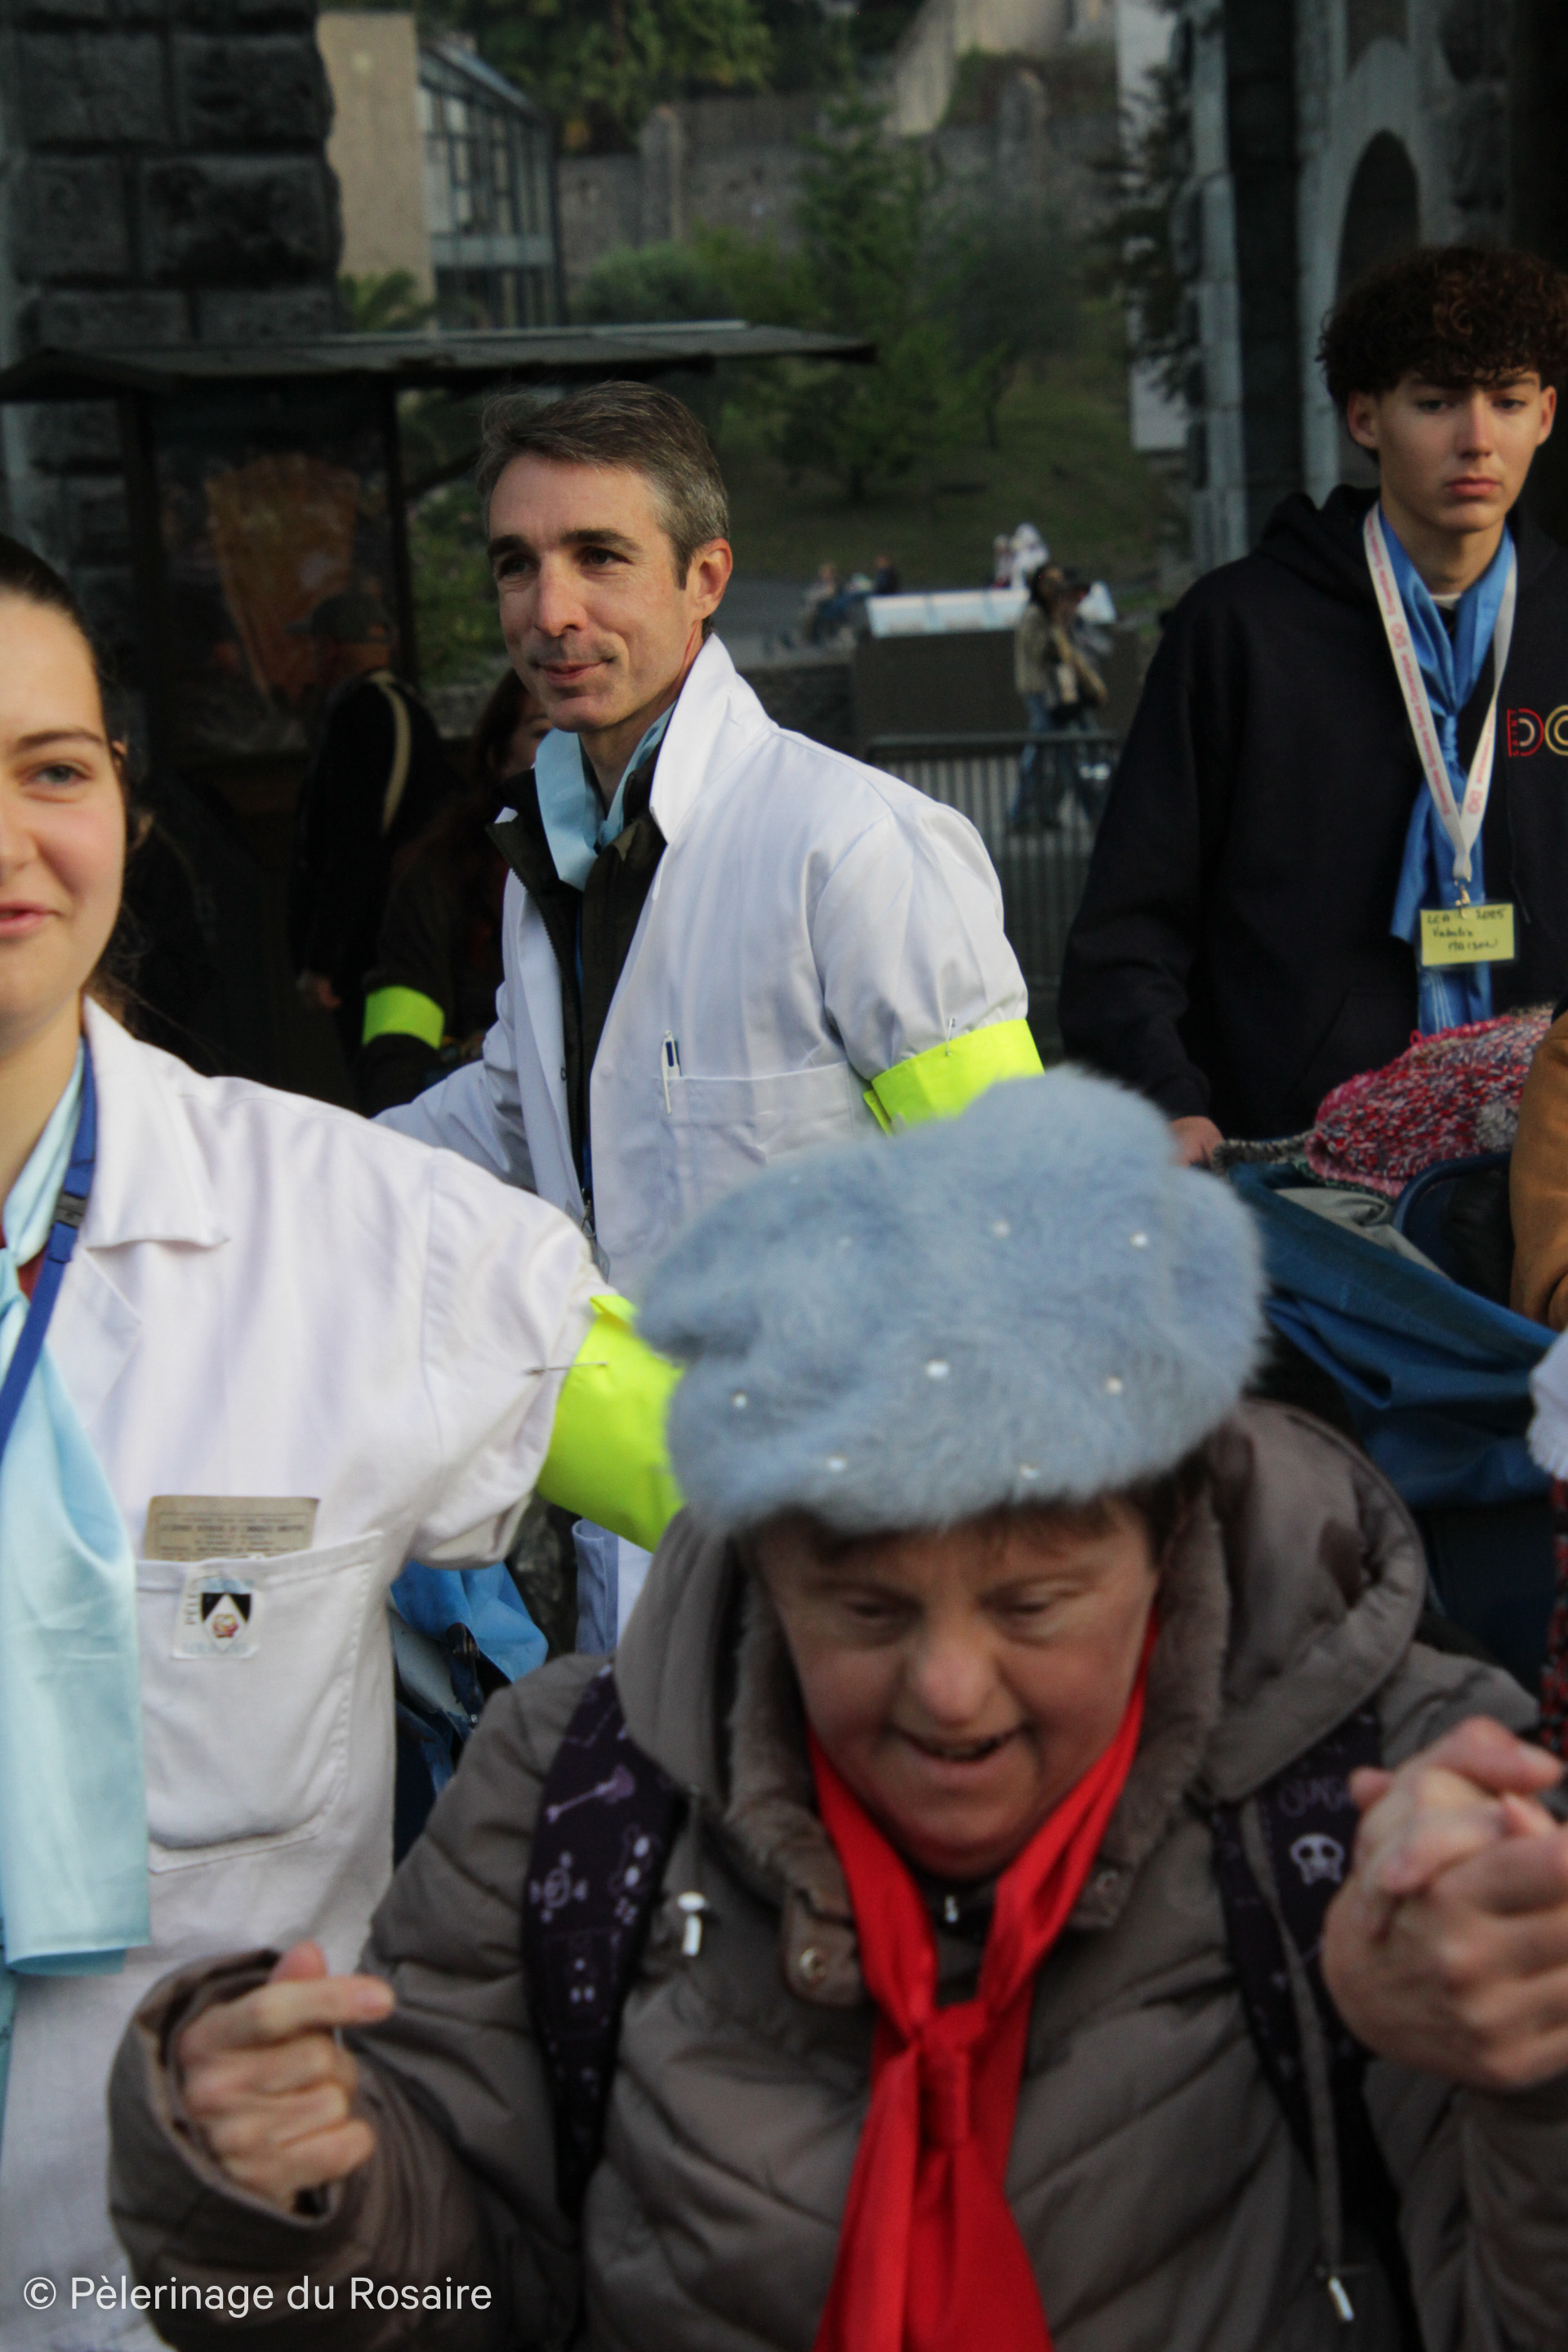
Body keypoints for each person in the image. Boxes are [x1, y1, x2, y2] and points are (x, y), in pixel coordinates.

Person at [107, 1072, 1568, 2350]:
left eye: (1032, 1604)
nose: (948, 1688)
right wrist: (280, 2200)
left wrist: (1530, 2066)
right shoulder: (574, 1803)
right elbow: (447, 2284)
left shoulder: (1401, 1812)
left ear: (1173, 1538)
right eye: (866, 1609)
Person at [0, 535, 680, 2345]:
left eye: (50, 770)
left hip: (200, 2297)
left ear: (122, 808)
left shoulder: (358, 1243)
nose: (6, 840)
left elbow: (784, 1506)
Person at [377, 383, 1034, 1637]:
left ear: (706, 578)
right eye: (517, 564)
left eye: (599, 557)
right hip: (645, 1556)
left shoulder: (853, 846)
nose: (550, 610)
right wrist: (247, 1175)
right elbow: (512, 1115)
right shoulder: (552, 862)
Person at [1059, 243, 1568, 1164]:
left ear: (1547, 414)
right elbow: (1128, 931)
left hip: (1547, 1162)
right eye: (1435, 402)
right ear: (1365, 417)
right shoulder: (1239, 630)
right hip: (1298, 1168)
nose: (1477, 439)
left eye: (1506, 400)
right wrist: (1167, 1101)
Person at [356, 670, 548, 1116]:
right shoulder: (438, 877)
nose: (568, 746)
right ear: (498, 759)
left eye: (583, 731)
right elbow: (397, 1053)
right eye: (543, 732)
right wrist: (402, 1140)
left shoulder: (641, 859)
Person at [287, 591, 458, 1059]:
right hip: (391, 936)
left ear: (330, 647)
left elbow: (356, 842)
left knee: (389, 1072)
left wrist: (324, 957)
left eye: (313, 646)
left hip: (376, 946)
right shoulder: (401, 705)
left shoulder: (366, 711)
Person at [1008, 564, 1107, 830]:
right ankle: (1023, 813)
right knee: (1046, 753)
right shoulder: (1034, 615)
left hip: (1056, 693)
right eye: (1048, 583)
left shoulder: (1052, 615)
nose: (1055, 588)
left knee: (1060, 754)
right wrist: (1059, 628)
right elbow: (1045, 651)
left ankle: (1044, 812)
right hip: (1041, 692)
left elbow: (1073, 654)